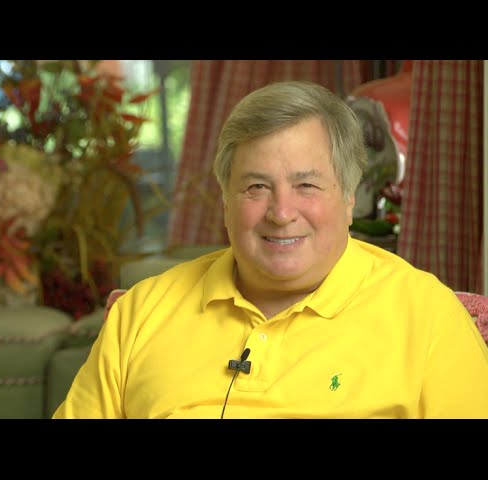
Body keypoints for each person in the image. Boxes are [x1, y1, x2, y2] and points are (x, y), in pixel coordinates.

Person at [53, 80, 488, 419]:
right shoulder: (140, 313)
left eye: (307, 185)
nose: (281, 213)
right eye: (257, 186)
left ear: (349, 198)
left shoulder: (428, 318)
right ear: (225, 202)